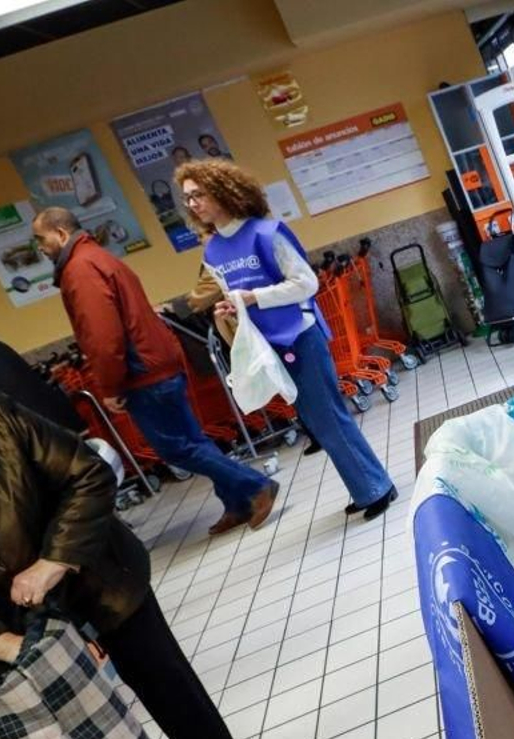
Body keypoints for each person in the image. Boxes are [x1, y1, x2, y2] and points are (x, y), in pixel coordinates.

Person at [0, 387, 264, 739]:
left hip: (96, 569)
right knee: (70, 726)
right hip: (13, 617)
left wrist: (54, 560)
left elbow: (87, 473)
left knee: (162, 677)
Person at [33, 206, 279, 536]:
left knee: (176, 448)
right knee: (192, 440)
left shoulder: (80, 270)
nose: (40, 248)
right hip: (157, 362)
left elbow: (104, 337)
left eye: (41, 239)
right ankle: (236, 502)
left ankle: (255, 486)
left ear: (61, 234)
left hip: (142, 373)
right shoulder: (99, 258)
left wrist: (110, 387)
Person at [176, 159, 396, 519]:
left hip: (300, 334)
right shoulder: (213, 251)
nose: (192, 204)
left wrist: (254, 298)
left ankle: (377, 488)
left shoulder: (266, 232)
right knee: (315, 417)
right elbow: (241, 294)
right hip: (270, 344)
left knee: (328, 416)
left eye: (199, 194)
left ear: (223, 191)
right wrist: (233, 308)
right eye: (187, 198)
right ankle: (365, 486)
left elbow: (306, 284)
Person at [164, 265, 322, 455]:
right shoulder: (221, 254)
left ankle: (317, 432)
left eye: (201, 236)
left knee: (289, 379)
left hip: (250, 328)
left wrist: (171, 307)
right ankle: (315, 430)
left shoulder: (215, 259)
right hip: (253, 325)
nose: (200, 240)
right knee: (288, 378)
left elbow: (205, 294)